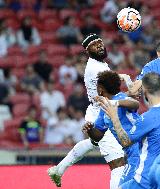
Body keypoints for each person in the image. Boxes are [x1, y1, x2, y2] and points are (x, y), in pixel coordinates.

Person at [47, 33, 132, 189]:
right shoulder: (94, 68)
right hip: (102, 114)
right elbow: (111, 85)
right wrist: (127, 85)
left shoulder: (100, 63)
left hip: (99, 111)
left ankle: (58, 170)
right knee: (118, 162)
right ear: (88, 51)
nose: (99, 45)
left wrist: (125, 78)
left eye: (100, 42)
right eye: (94, 45)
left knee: (93, 142)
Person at [99, 72, 160, 189]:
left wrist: (114, 117)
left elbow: (125, 141)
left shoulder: (148, 118)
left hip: (147, 178)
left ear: (145, 91)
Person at [82, 70, 140, 187]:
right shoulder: (104, 108)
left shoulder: (121, 97)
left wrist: (116, 103)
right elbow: (98, 135)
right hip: (130, 153)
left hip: (139, 150)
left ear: (101, 89)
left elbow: (135, 104)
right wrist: (90, 129)